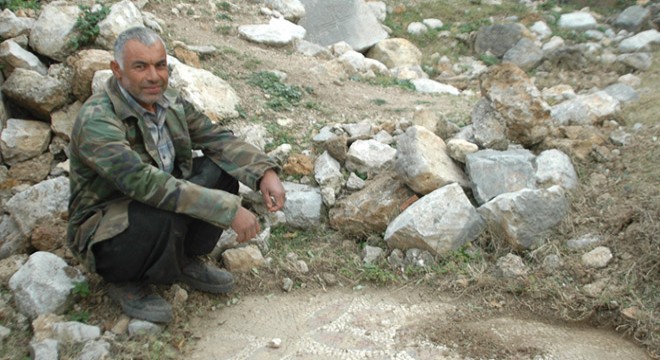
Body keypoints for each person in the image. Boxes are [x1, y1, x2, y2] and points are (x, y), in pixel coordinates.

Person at [67, 26, 285, 323]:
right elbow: (143, 183)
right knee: (159, 210)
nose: (154, 76)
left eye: (160, 65)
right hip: (111, 226)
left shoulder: (168, 101)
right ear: (117, 70)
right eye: (140, 66)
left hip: (158, 202)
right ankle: (127, 281)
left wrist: (264, 172)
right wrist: (228, 209)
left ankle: (183, 260)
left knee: (219, 172)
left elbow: (215, 138)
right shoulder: (97, 120)